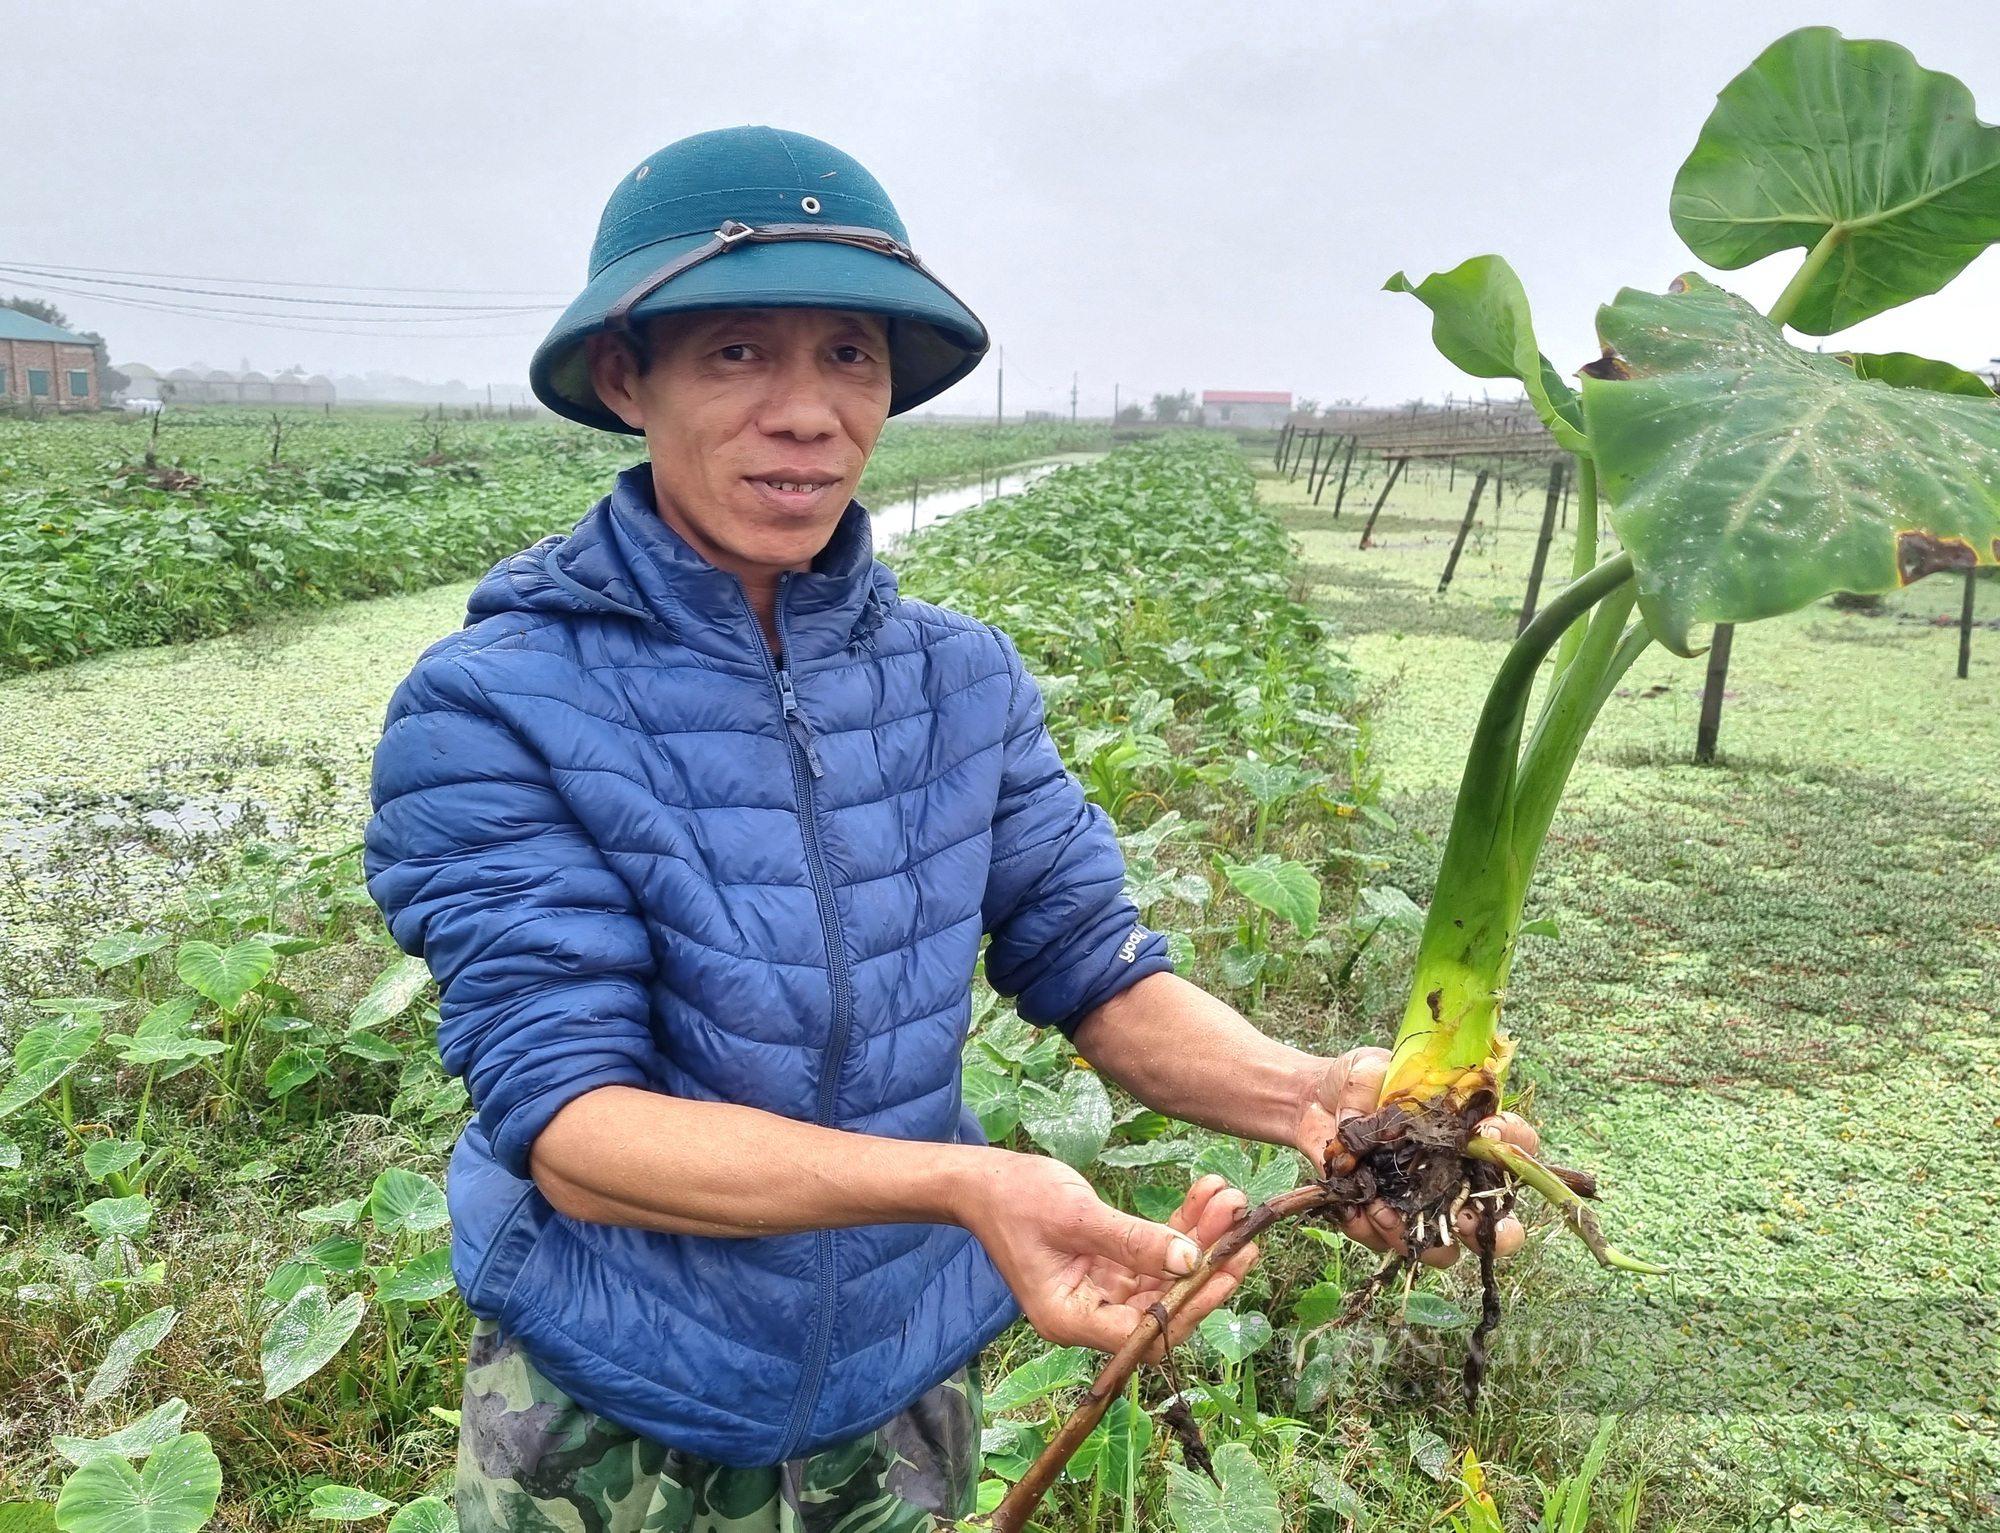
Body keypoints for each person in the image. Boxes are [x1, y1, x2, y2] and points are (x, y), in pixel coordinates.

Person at [365, 126, 1538, 1533]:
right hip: (617, 1390)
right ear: (630, 377)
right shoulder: (497, 703)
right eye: (739, 351)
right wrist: (967, 1184)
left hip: (903, 1370)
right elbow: (574, 1127)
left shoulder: (956, 678)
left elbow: (1095, 968)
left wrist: (1322, 1099)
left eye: (850, 356)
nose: (807, 413)